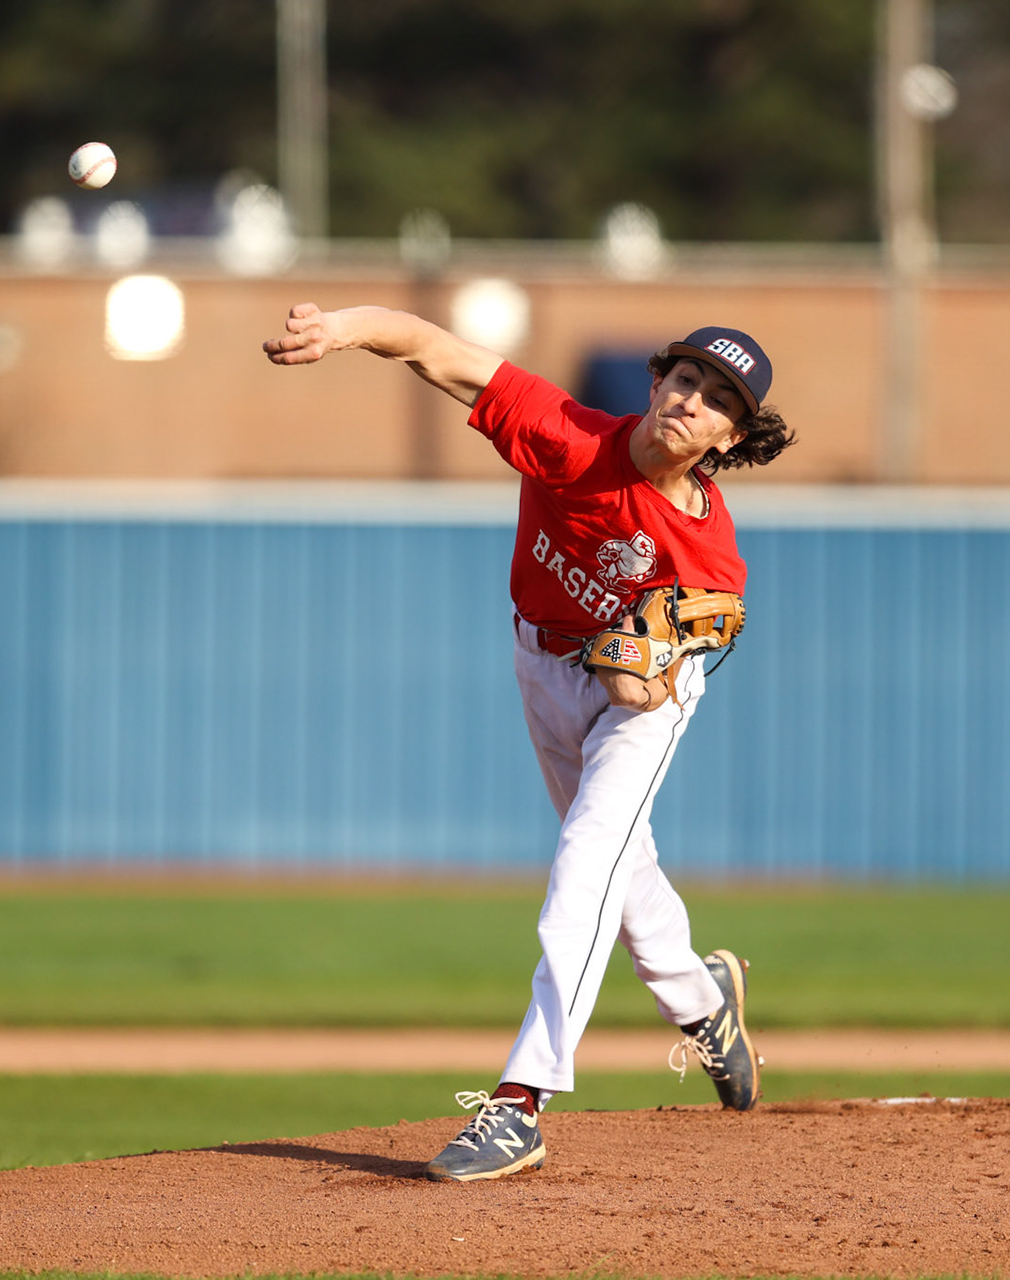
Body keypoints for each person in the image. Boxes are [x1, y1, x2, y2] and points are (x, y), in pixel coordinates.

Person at [263, 303, 795, 1181]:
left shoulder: (708, 553)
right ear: (657, 381)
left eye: (717, 400)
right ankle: (704, 1002)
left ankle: (520, 1105)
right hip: (542, 663)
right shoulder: (567, 436)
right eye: (686, 377)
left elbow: (652, 681)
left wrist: (644, 671)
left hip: (642, 709)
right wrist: (343, 327)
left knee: (586, 862)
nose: (691, 400)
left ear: (730, 438)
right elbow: (436, 351)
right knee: (621, 875)